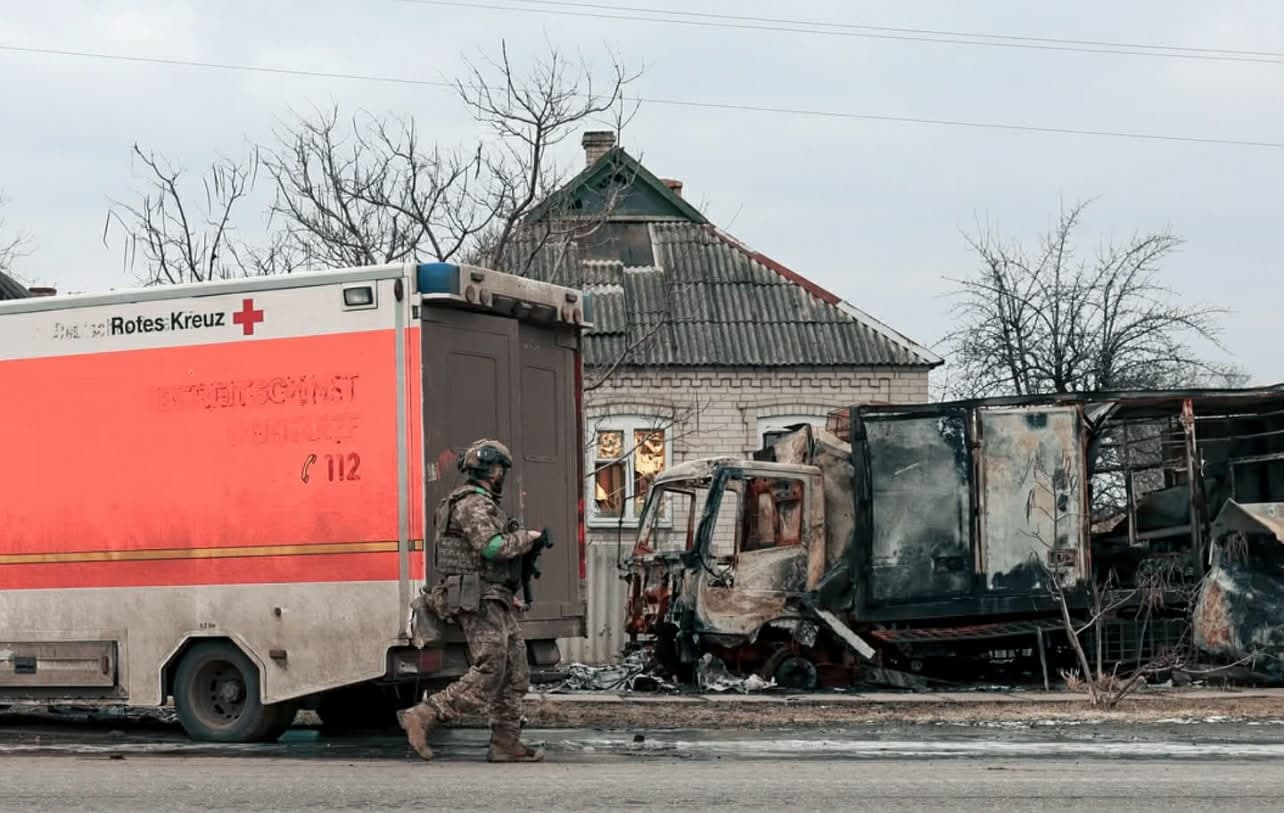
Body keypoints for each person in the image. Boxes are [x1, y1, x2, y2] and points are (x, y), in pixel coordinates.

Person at [397, 438, 545, 763]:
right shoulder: (471, 504)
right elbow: (490, 547)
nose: (502, 474)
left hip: (492, 596)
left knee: (515, 671)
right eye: (501, 469)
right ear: (492, 470)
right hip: (476, 599)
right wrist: (527, 539)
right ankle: (425, 714)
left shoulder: (482, 503)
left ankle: (505, 742)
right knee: (492, 666)